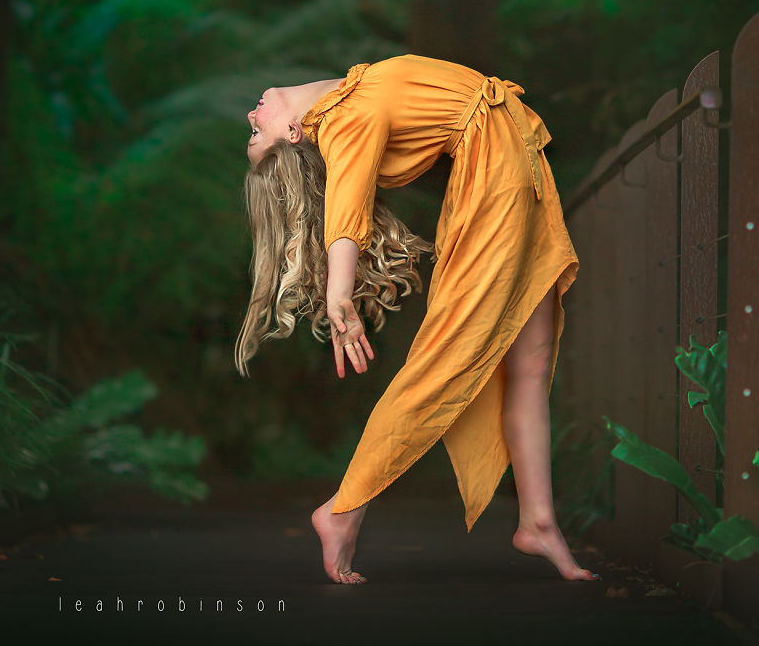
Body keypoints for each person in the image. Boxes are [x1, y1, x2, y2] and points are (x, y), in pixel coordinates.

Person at [235, 54, 596, 585]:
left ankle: (538, 521)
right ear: (294, 132)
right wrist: (339, 292)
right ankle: (344, 508)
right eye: (256, 133)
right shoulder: (343, 121)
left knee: (533, 360)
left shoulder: (351, 92)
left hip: (515, 167)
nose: (251, 116)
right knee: (446, 359)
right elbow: (346, 207)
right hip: (496, 181)